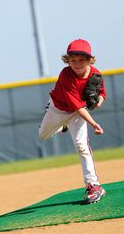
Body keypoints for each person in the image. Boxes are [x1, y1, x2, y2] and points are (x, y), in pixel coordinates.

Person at [38, 39, 106, 204]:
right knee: (43, 135)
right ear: (67, 60)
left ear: (90, 59)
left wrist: (98, 102)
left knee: (81, 146)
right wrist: (94, 123)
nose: (76, 63)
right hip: (58, 109)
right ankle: (62, 127)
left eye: (81, 59)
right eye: (72, 59)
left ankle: (93, 184)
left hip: (77, 115)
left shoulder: (95, 74)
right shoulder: (66, 74)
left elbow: (102, 93)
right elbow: (78, 107)